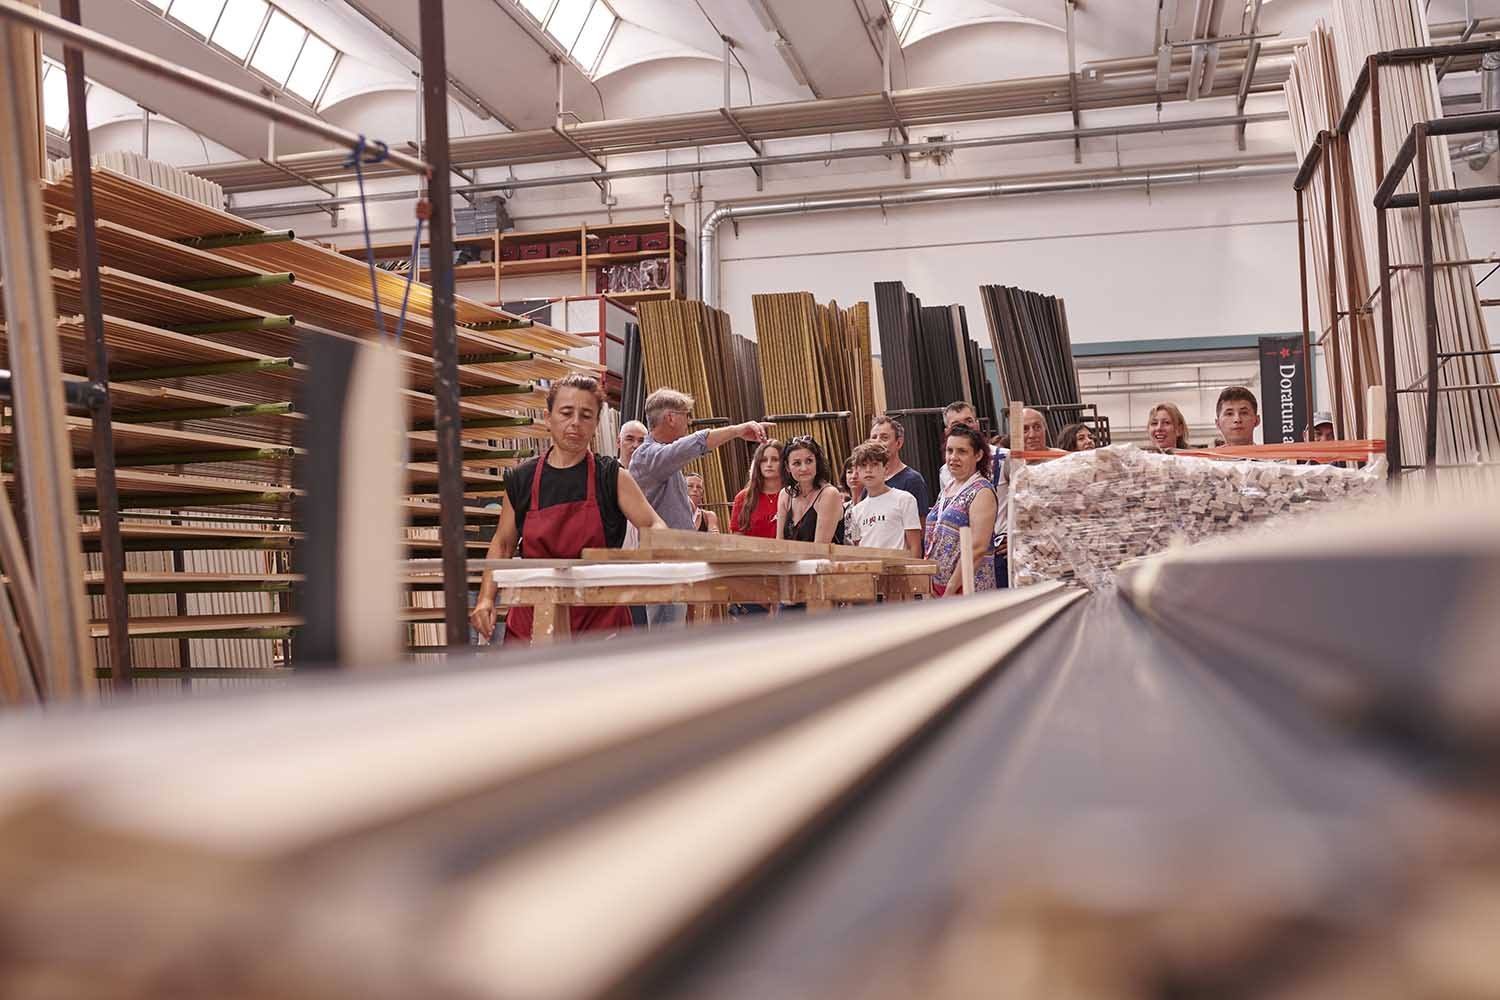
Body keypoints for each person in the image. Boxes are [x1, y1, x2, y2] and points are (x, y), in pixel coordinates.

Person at [469, 373, 666, 644]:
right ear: (548, 418)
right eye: (566, 413)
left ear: (596, 424)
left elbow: (654, 525)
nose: (575, 422)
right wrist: (485, 598)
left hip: (599, 623)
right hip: (534, 622)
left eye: (586, 415)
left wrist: (651, 552)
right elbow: (503, 544)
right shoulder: (522, 479)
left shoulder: (611, 477)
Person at [631, 387, 772, 628]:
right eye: (687, 416)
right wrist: (737, 430)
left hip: (673, 561)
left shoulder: (663, 460)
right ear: (671, 417)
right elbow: (694, 444)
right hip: (663, 563)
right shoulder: (649, 457)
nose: (689, 422)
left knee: (672, 630)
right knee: (665, 635)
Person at [925, 424, 999, 597]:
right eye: (949, 450)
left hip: (967, 590)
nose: (953, 457)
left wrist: (951, 590)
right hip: (938, 590)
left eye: (962, 452)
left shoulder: (982, 491)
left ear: (978, 455)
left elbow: (977, 548)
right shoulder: (948, 488)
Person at [846, 441, 922, 557]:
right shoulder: (856, 510)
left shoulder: (904, 499)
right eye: (863, 465)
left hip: (898, 566)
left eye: (874, 464)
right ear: (857, 471)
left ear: (885, 469)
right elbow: (857, 548)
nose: (868, 470)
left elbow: (915, 546)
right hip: (870, 567)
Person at [776, 436, 846, 545]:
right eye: (797, 463)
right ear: (787, 467)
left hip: (821, 556)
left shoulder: (829, 494)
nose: (804, 468)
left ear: (817, 462)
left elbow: (820, 549)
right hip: (789, 556)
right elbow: (779, 544)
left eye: (809, 461)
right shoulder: (785, 494)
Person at [868, 414, 931, 523]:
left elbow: (921, 525)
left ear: (899, 443)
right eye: (874, 437)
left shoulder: (912, 480)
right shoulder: (869, 481)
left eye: (884, 438)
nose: (877, 442)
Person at [730, 438, 782, 538]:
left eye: (775, 459)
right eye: (764, 460)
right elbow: (737, 539)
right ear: (758, 463)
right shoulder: (743, 497)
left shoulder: (792, 496)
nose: (769, 464)